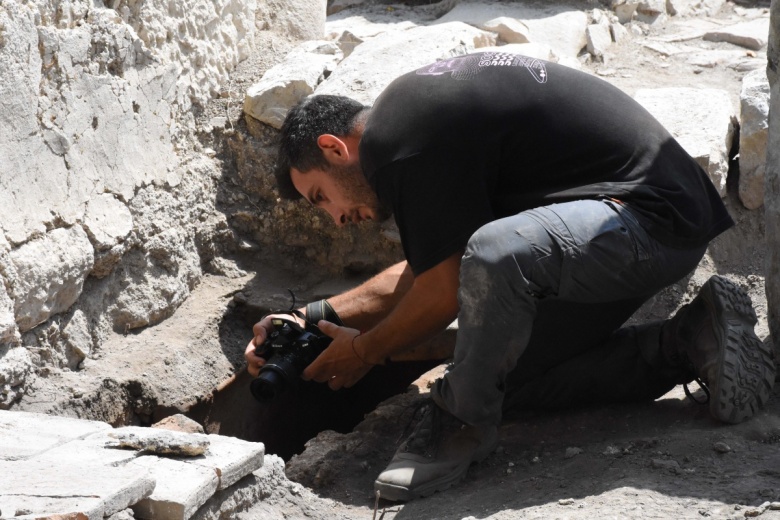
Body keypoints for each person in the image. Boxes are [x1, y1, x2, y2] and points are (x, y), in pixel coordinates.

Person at [244, 52, 776, 502]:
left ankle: (458, 427)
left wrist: (363, 353)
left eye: (321, 197)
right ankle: (688, 339)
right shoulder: (414, 122)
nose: (335, 218)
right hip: (626, 227)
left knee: (497, 255)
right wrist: (311, 317)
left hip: (651, 216)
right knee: (506, 380)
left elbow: (445, 287)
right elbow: (433, 268)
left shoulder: (398, 140)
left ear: (334, 149)